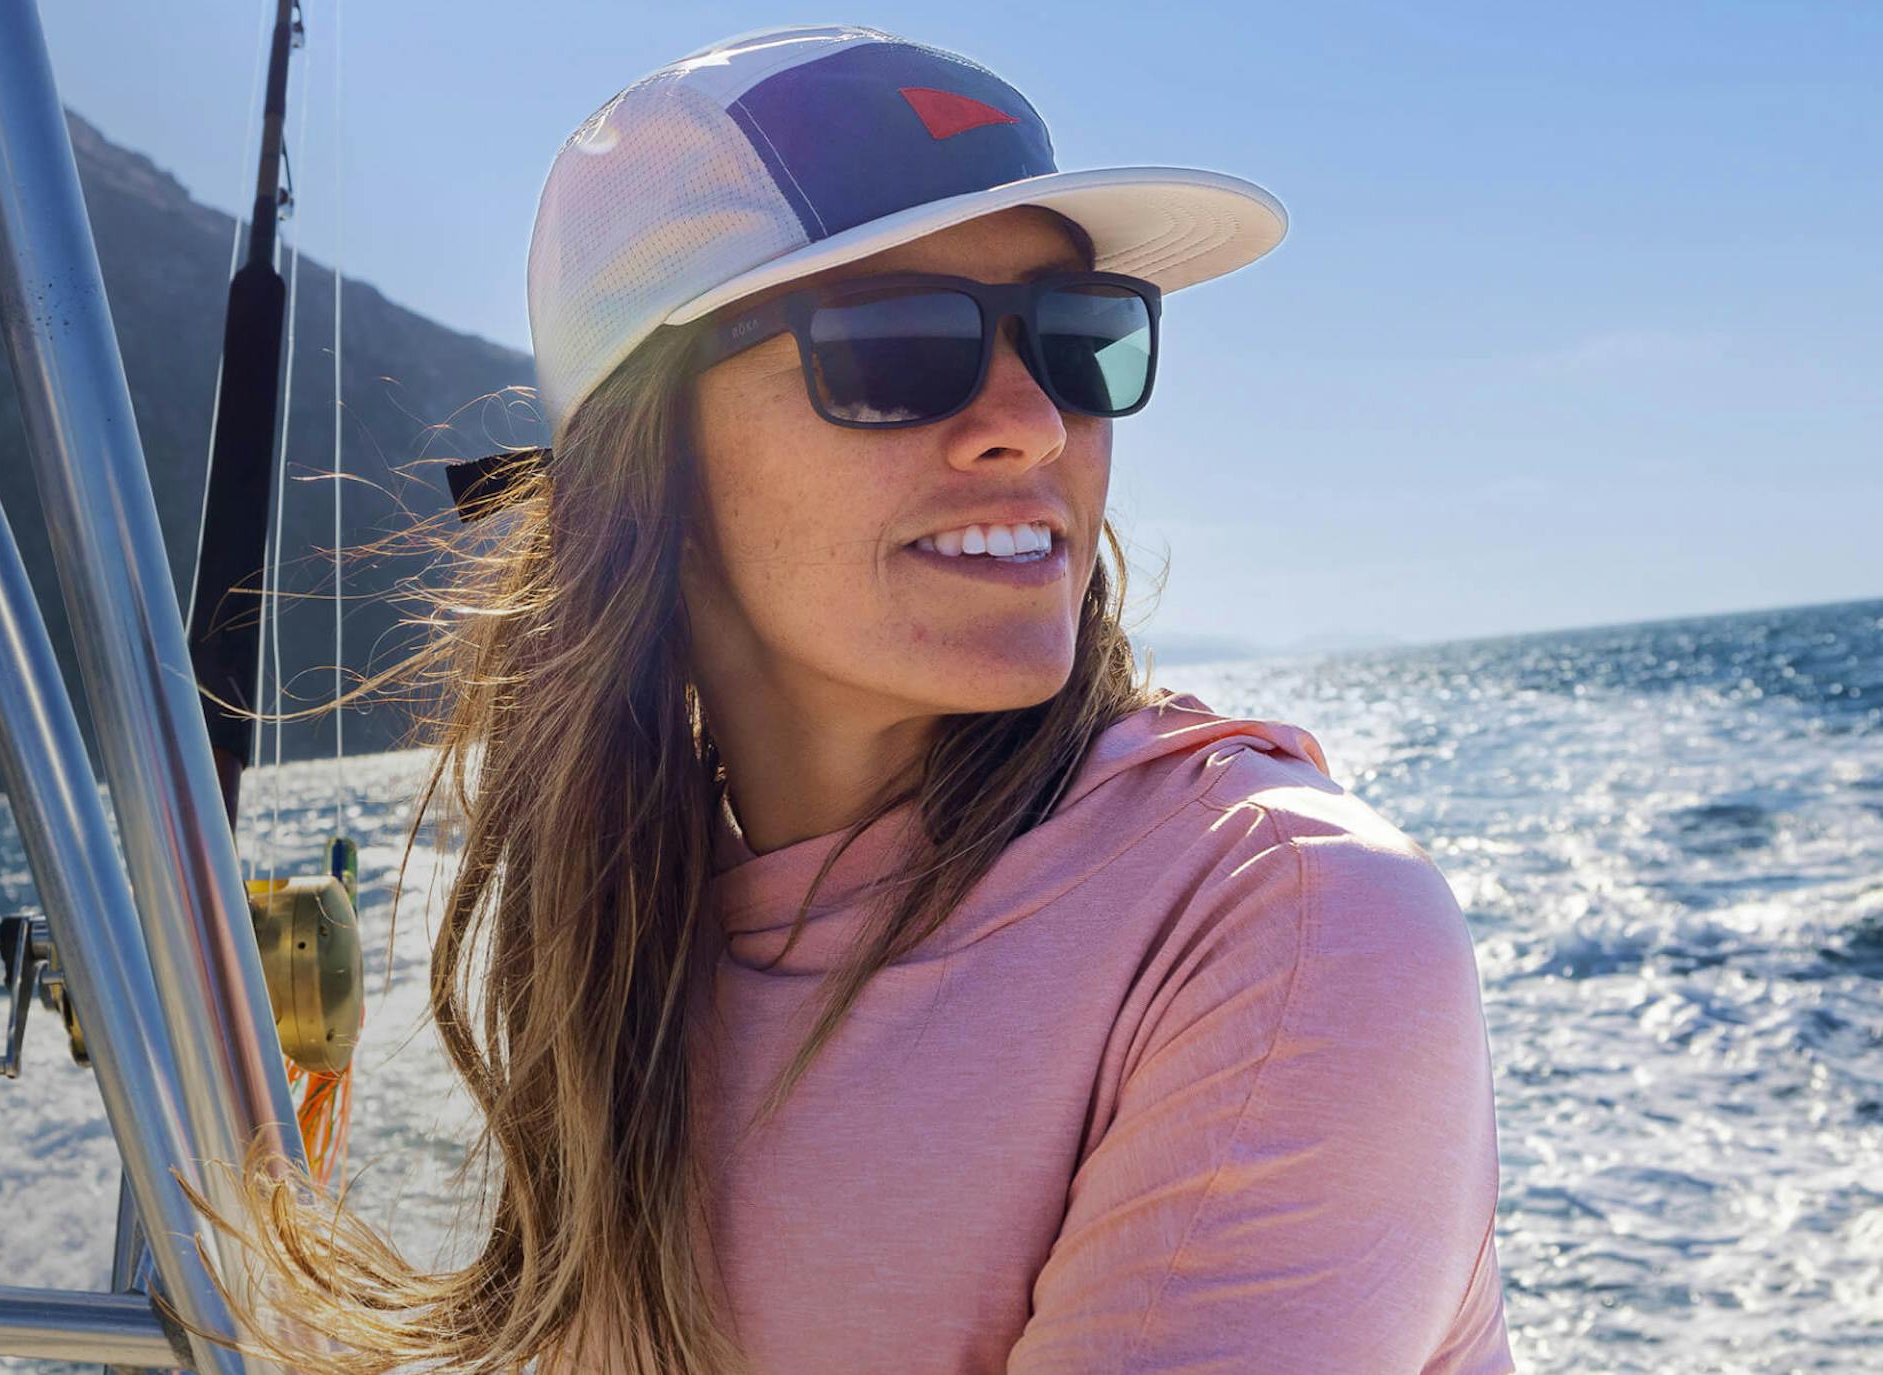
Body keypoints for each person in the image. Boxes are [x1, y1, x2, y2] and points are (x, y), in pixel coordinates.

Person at [216, 25, 1515, 1374]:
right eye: (894, 347)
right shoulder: (621, 960)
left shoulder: (1284, 916)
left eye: (1079, 342)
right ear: (645, 459)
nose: (1034, 421)